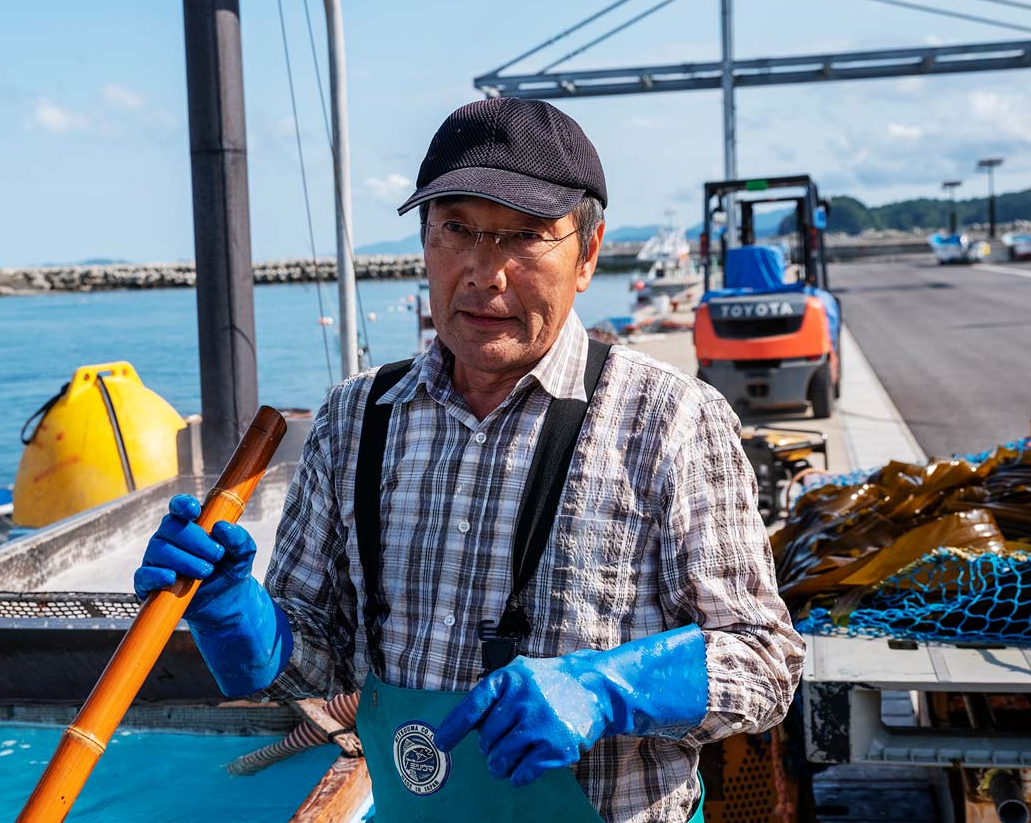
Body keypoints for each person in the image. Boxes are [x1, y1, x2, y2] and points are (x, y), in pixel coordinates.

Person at [135, 97, 805, 823]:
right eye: (457, 229)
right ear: (426, 241)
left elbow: (767, 663)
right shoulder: (356, 418)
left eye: (525, 237)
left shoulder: (670, 419)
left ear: (588, 252)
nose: (485, 273)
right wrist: (236, 614)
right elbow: (317, 658)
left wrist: (609, 688)